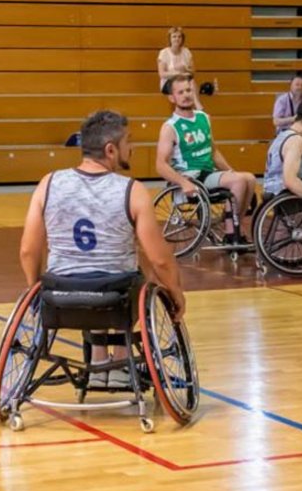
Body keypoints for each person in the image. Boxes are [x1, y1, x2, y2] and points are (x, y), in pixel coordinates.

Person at [19, 110, 187, 385]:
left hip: (60, 294)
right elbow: (160, 260)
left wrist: (35, 291)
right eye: (128, 141)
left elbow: (28, 250)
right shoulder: (132, 190)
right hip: (115, 296)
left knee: (95, 276)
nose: (132, 148)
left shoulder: (49, 183)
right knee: (138, 275)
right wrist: (176, 291)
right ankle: (120, 361)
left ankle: (98, 361)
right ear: (110, 150)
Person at [155, 75, 259, 245]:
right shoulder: (170, 127)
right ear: (172, 98)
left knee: (250, 179)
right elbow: (160, 165)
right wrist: (183, 182)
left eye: (188, 90)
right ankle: (231, 235)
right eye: (180, 92)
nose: (186, 95)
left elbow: (214, 151)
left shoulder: (204, 118)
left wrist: (230, 171)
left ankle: (234, 226)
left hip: (207, 173)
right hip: (191, 177)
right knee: (239, 181)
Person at [157, 26, 195, 91]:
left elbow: (193, 72)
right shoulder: (163, 53)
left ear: (182, 39)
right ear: (170, 39)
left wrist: (186, 69)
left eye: (179, 37)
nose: (177, 39)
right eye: (174, 36)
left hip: (184, 80)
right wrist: (176, 74)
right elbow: (162, 74)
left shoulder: (187, 52)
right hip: (168, 82)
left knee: (192, 83)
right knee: (180, 85)